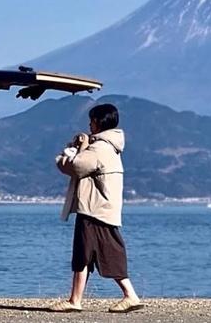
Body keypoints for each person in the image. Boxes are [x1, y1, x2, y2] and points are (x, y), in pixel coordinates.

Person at [48, 103, 143, 313]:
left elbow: (75, 166)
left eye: (91, 120)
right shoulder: (110, 146)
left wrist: (73, 150)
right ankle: (76, 299)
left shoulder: (99, 148)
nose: (89, 124)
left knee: (104, 254)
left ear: (99, 122)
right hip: (101, 208)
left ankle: (129, 295)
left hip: (94, 209)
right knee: (85, 255)